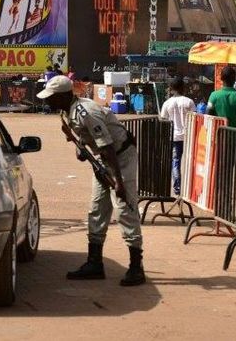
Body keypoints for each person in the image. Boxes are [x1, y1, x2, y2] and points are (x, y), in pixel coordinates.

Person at [37, 76, 145, 286]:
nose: (47, 102)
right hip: (102, 161)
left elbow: (107, 147)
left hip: (119, 158)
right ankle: (94, 263)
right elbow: (88, 143)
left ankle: (136, 267)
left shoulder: (87, 112)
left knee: (124, 208)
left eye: (51, 97)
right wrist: (80, 147)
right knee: (96, 210)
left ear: (64, 95)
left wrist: (118, 182)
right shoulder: (66, 112)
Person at [159, 77, 196, 195]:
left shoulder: (167, 103)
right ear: (183, 87)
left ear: (171, 88)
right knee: (191, 161)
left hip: (174, 137)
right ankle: (192, 188)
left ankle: (177, 188)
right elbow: (196, 118)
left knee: (176, 162)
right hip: (188, 136)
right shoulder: (189, 102)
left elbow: (163, 119)